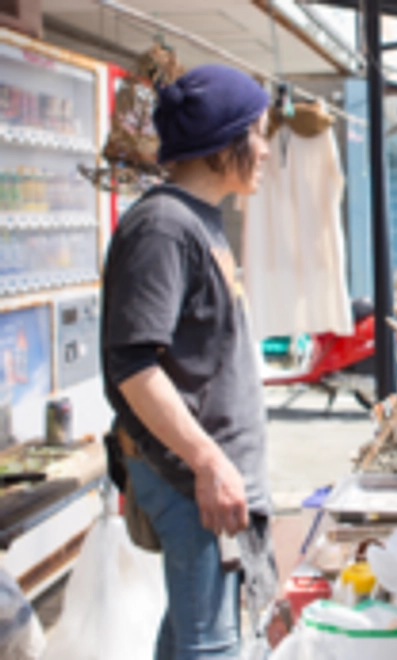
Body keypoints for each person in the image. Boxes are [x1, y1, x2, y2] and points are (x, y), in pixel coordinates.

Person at [101, 64, 273, 658]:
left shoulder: (198, 220)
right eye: (258, 133)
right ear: (224, 142)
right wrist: (209, 462)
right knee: (210, 646)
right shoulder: (163, 227)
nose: (266, 150)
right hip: (190, 479)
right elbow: (132, 364)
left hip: (208, 476)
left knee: (188, 637)